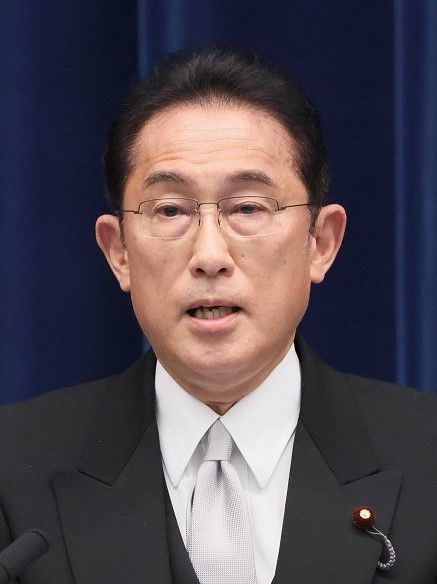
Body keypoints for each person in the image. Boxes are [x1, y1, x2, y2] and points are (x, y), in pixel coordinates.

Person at [0, 47, 436, 584]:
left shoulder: (428, 457)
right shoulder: (12, 467)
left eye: (248, 207)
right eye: (171, 210)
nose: (209, 256)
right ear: (119, 252)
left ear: (321, 242)